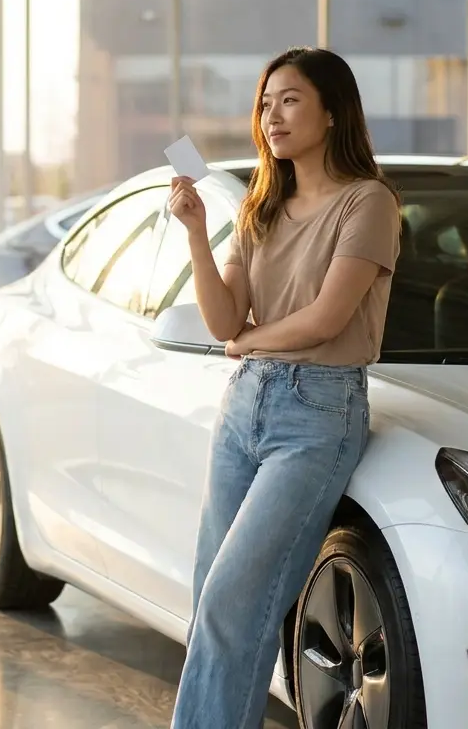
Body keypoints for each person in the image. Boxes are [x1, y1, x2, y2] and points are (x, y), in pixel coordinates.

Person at [166, 46, 401, 728]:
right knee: (212, 597)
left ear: (332, 113)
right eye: (265, 104)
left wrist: (250, 341)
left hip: (317, 413)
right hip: (244, 406)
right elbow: (222, 320)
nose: (273, 115)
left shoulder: (368, 202)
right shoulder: (261, 207)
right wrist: (197, 235)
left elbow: (328, 318)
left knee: (232, 600)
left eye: (291, 100)